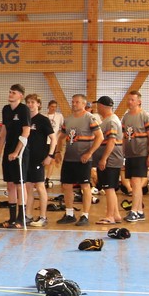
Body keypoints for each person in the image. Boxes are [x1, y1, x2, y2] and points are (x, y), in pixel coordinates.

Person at [54, 94, 99, 227]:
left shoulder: (90, 118)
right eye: (73, 102)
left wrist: (89, 153)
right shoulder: (68, 119)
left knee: (85, 186)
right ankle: (69, 214)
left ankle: (85, 215)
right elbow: (61, 137)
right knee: (67, 185)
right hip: (69, 158)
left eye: (77, 102)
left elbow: (100, 137)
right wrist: (58, 152)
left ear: (84, 104)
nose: (74, 104)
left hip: (83, 160)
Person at [0, 83, 31, 228]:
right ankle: (11, 219)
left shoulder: (24, 109)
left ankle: (21, 218)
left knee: (19, 184)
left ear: (20, 96)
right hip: (8, 151)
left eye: (14, 92)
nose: (10, 94)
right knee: (10, 184)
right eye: (10, 92)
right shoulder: (6, 109)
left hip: (20, 151)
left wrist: (16, 152)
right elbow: (4, 131)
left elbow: (26, 132)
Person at [120, 91, 149, 223]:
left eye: (132, 100)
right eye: (128, 99)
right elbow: (124, 137)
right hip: (130, 154)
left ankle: (133, 211)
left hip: (141, 153)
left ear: (139, 101)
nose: (129, 102)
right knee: (135, 184)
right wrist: (122, 154)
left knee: (136, 182)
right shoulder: (126, 117)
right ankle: (139, 211)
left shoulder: (144, 115)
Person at [92, 96, 124, 225]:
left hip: (111, 159)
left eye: (98, 105)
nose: (97, 108)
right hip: (111, 159)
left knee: (109, 188)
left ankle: (110, 216)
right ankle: (116, 215)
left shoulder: (111, 121)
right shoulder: (109, 120)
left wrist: (104, 158)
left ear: (102, 106)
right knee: (109, 188)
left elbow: (111, 141)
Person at [23, 94, 53, 226]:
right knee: (29, 187)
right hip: (26, 158)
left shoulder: (43, 120)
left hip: (38, 159)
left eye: (33, 102)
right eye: (28, 102)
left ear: (38, 104)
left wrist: (50, 156)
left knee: (40, 186)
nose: (30, 104)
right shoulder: (25, 120)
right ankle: (28, 215)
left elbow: (53, 139)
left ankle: (43, 217)